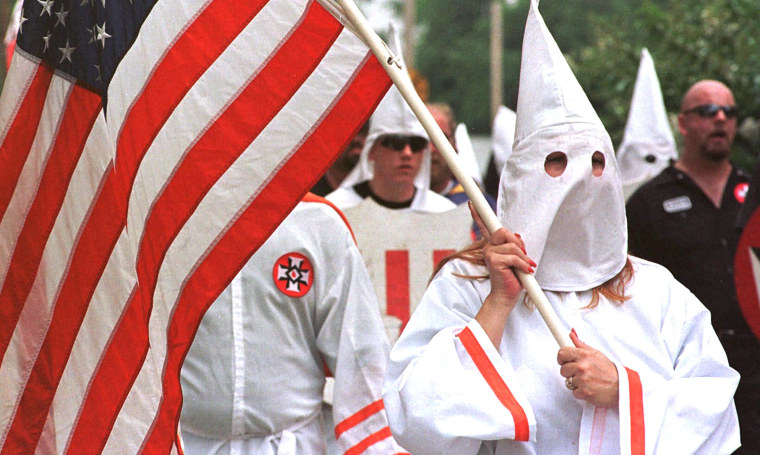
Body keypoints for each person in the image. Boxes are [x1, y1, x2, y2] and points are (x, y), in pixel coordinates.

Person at [383, 2, 740, 454]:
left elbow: (716, 413)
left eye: (595, 162)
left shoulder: (656, 292)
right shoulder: (469, 286)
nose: (577, 179)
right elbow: (416, 417)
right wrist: (497, 305)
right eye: (556, 162)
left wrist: (627, 392)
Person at [179, 194, 405, 455]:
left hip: (291, 445)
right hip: (190, 443)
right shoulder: (166, 218)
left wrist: (379, 450)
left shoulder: (318, 221)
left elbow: (358, 351)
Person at [625, 80, 758, 454]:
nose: (720, 119)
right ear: (682, 123)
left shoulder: (754, 190)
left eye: (728, 112)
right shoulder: (649, 203)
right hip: (687, 374)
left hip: (755, 366)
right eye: (707, 111)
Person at [311, 122, 369, 197]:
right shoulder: (306, 190)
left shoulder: (377, 195)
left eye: (368, 134)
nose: (361, 141)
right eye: (358, 131)